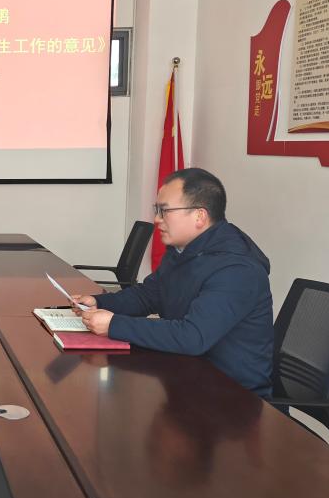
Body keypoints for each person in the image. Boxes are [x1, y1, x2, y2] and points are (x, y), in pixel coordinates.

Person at [74, 168, 274, 396]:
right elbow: (148, 295)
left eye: (165, 211)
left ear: (199, 216)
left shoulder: (237, 270)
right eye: (157, 210)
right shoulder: (183, 250)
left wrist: (114, 324)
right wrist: (100, 303)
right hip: (185, 377)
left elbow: (193, 336)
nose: (157, 219)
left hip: (233, 398)